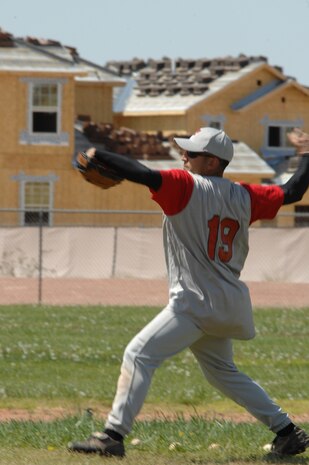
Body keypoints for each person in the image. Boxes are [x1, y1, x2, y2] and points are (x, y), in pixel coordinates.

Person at [68, 127, 309, 458]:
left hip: (195, 301)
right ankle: (287, 432)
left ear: (211, 162)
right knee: (223, 374)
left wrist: (97, 155)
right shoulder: (246, 195)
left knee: (138, 354)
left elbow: (144, 174)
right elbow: (294, 191)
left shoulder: (186, 186)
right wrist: (307, 153)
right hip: (228, 302)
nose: (184, 156)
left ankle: (112, 435)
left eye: (191, 153)